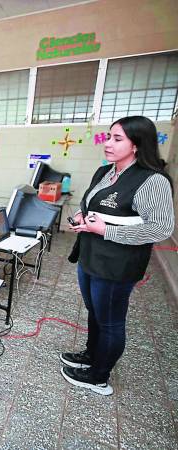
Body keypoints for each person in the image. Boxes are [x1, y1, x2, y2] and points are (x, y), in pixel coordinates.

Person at [62, 116, 174, 396]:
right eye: (108, 137)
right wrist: (80, 215)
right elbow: (89, 203)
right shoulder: (104, 172)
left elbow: (161, 227)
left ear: (136, 145)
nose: (107, 144)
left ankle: (99, 376)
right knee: (94, 311)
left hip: (117, 264)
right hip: (90, 257)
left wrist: (105, 231)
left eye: (117, 139)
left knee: (110, 319)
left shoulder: (152, 181)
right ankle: (91, 355)